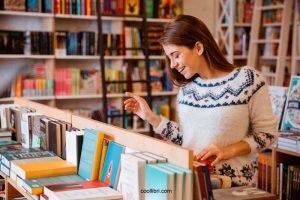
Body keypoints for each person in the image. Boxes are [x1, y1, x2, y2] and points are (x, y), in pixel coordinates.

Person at [124, 14, 277, 186]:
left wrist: (227, 151)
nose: (173, 64)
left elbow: (268, 134)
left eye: (176, 55)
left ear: (198, 47)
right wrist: (151, 117)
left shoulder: (248, 80)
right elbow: (186, 139)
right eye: (169, 58)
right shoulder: (187, 89)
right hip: (192, 181)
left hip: (233, 186)